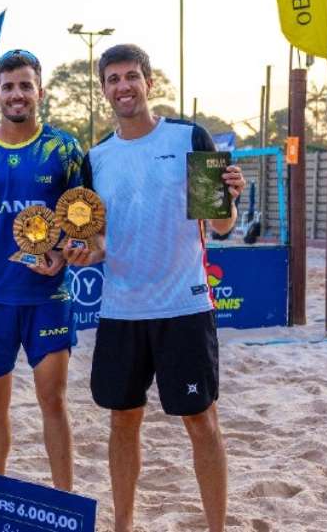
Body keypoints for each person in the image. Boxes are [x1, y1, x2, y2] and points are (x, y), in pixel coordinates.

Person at [67, 43, 245, 532]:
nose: (123, 86)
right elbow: (100, 240)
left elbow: (222, 225)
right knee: (122, 421)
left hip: (183, 306)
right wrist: (89, 251)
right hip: (122, 310)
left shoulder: (191, 136)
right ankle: (124, 525)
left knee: (201, 421)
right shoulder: (96, 158)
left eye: (131, 76)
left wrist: (228, 198)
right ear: (104, 89)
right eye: (113, 79)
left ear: (149, 82)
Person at [0, 49, 83, 491]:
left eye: (25, 85)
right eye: (8, 86)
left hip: (47, 299)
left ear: (39, 92)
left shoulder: (64, 149)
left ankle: (64, 496)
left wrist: (62, 255)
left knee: (53, 401)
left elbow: (83, 221)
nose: (17, 94)